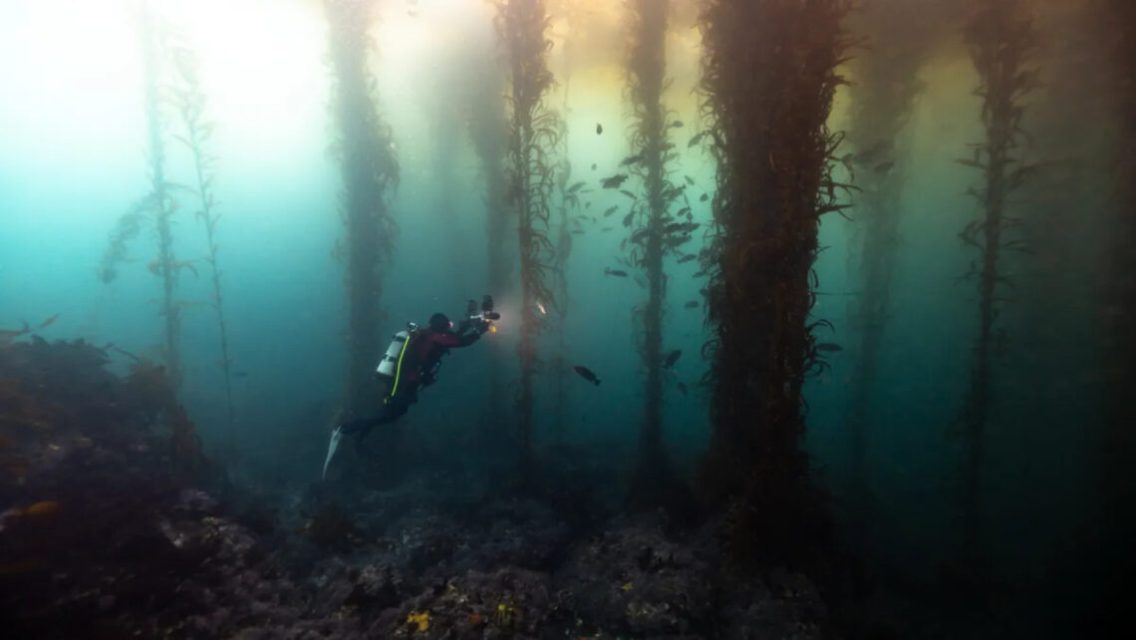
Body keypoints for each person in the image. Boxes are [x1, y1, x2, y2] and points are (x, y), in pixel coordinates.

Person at [322, 302, 496, 478]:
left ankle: (357, 440)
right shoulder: (434, 337)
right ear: (441, 326)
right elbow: (461, 342)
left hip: (404, 380)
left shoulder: (428, 335)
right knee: (389, 414)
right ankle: (344, 429)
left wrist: (468, 326)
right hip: (404, 382)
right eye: (447, 325)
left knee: (390, 412)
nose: (449, 327)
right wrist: (481, 329)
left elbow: (453, 339)